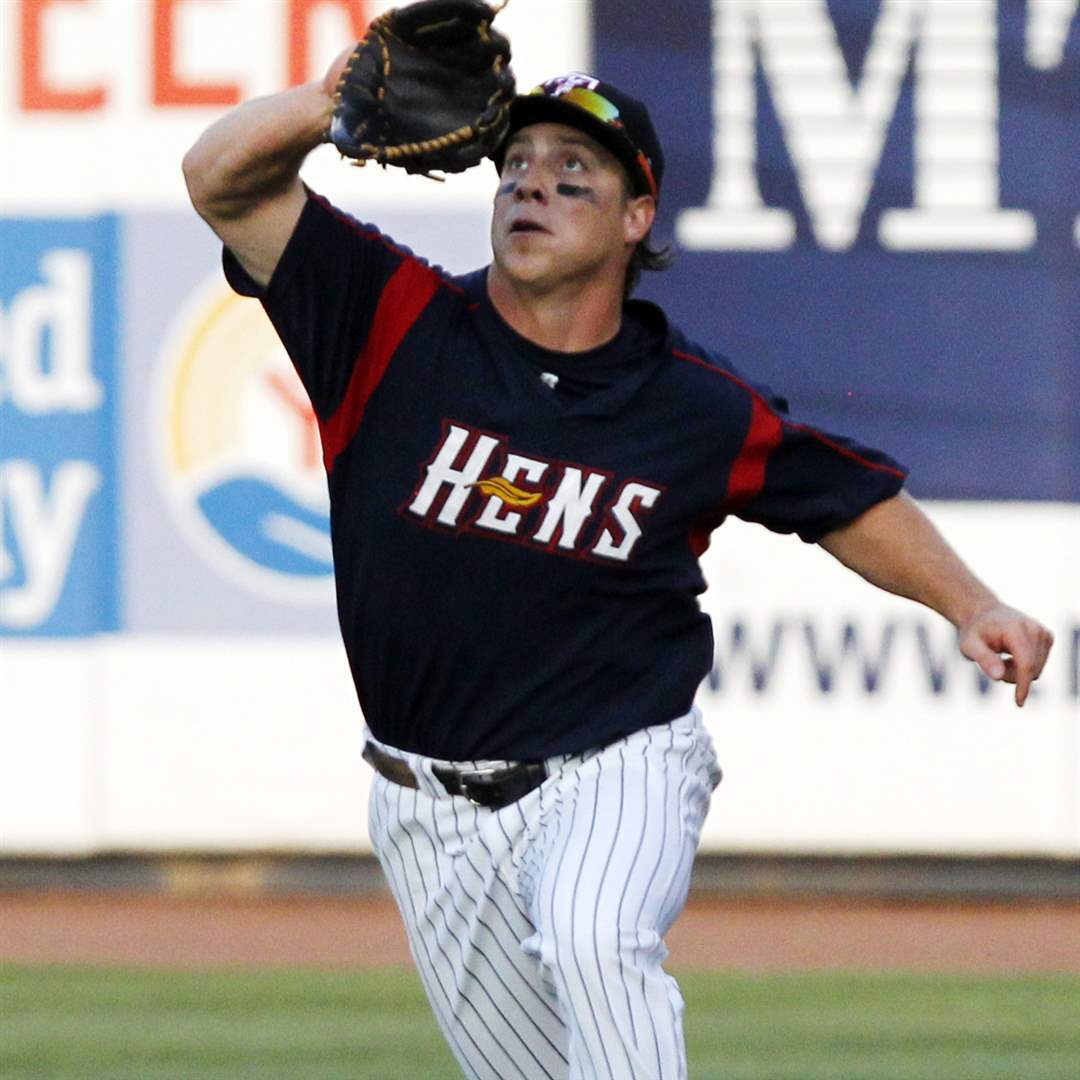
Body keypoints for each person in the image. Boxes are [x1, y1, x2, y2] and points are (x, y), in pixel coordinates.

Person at [183, 49, 1054, 1080]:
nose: (531, 187)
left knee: (597, 938)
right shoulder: (387, 319)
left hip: (616, 762)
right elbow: (220, 182)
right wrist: (326, 103)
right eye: (515, 167)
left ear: (637, 217)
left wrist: (971, 604)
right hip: (425, 806)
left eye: (573, 173)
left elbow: (843, 495)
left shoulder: (692, 405)